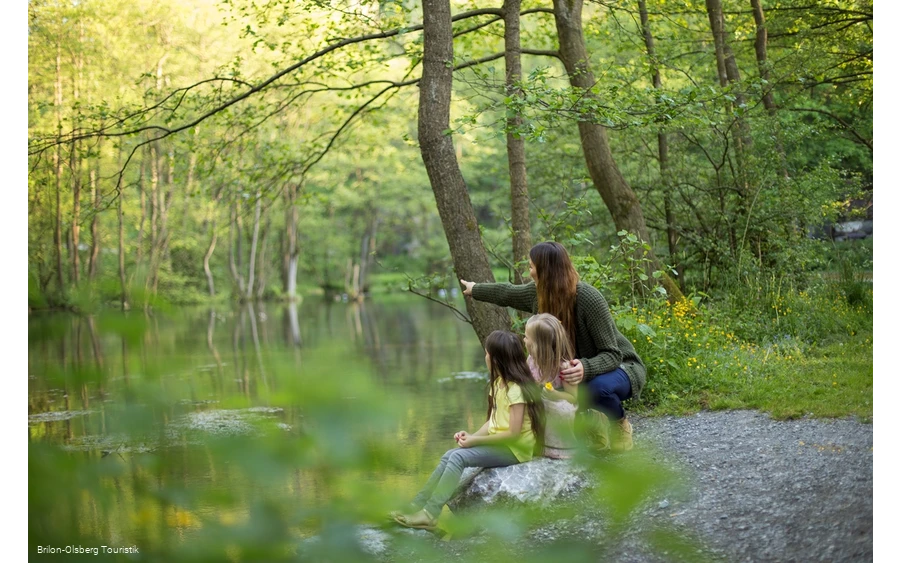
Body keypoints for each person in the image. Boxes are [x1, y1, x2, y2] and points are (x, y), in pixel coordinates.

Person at [459, 241, 646, 452]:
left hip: (621, 367)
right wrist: (475, 289)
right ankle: (592, 422)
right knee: (547, 391)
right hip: (574, 371)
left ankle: (619, 423)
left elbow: (613, 354)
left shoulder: (588, 298)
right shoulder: (538, 294)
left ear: (546, 271)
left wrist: (585, 367)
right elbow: (507, 293)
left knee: (595, 389)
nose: (529, 271)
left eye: (531, 266)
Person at [391, 330, 545, 531]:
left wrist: (475, 442)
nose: (485, 357)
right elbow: (492, 422)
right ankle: (415, 506)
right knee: (449, 455)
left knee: (458, 458)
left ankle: (430, 514)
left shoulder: (516, 390)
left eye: (487, 353)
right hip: (502, 445)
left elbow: (513, 434)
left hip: (515, 450)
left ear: (496, 360)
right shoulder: (498, 384)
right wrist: (471, 436)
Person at [523, 313, 579, 459]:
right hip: (538, 400)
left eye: (527, 337)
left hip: (557, 403)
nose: (524, 340)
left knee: (561, 410)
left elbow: (573, 398)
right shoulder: (531, 360)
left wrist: (555, 395)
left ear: (538, 345)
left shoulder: (564, 367)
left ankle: (559, 448)